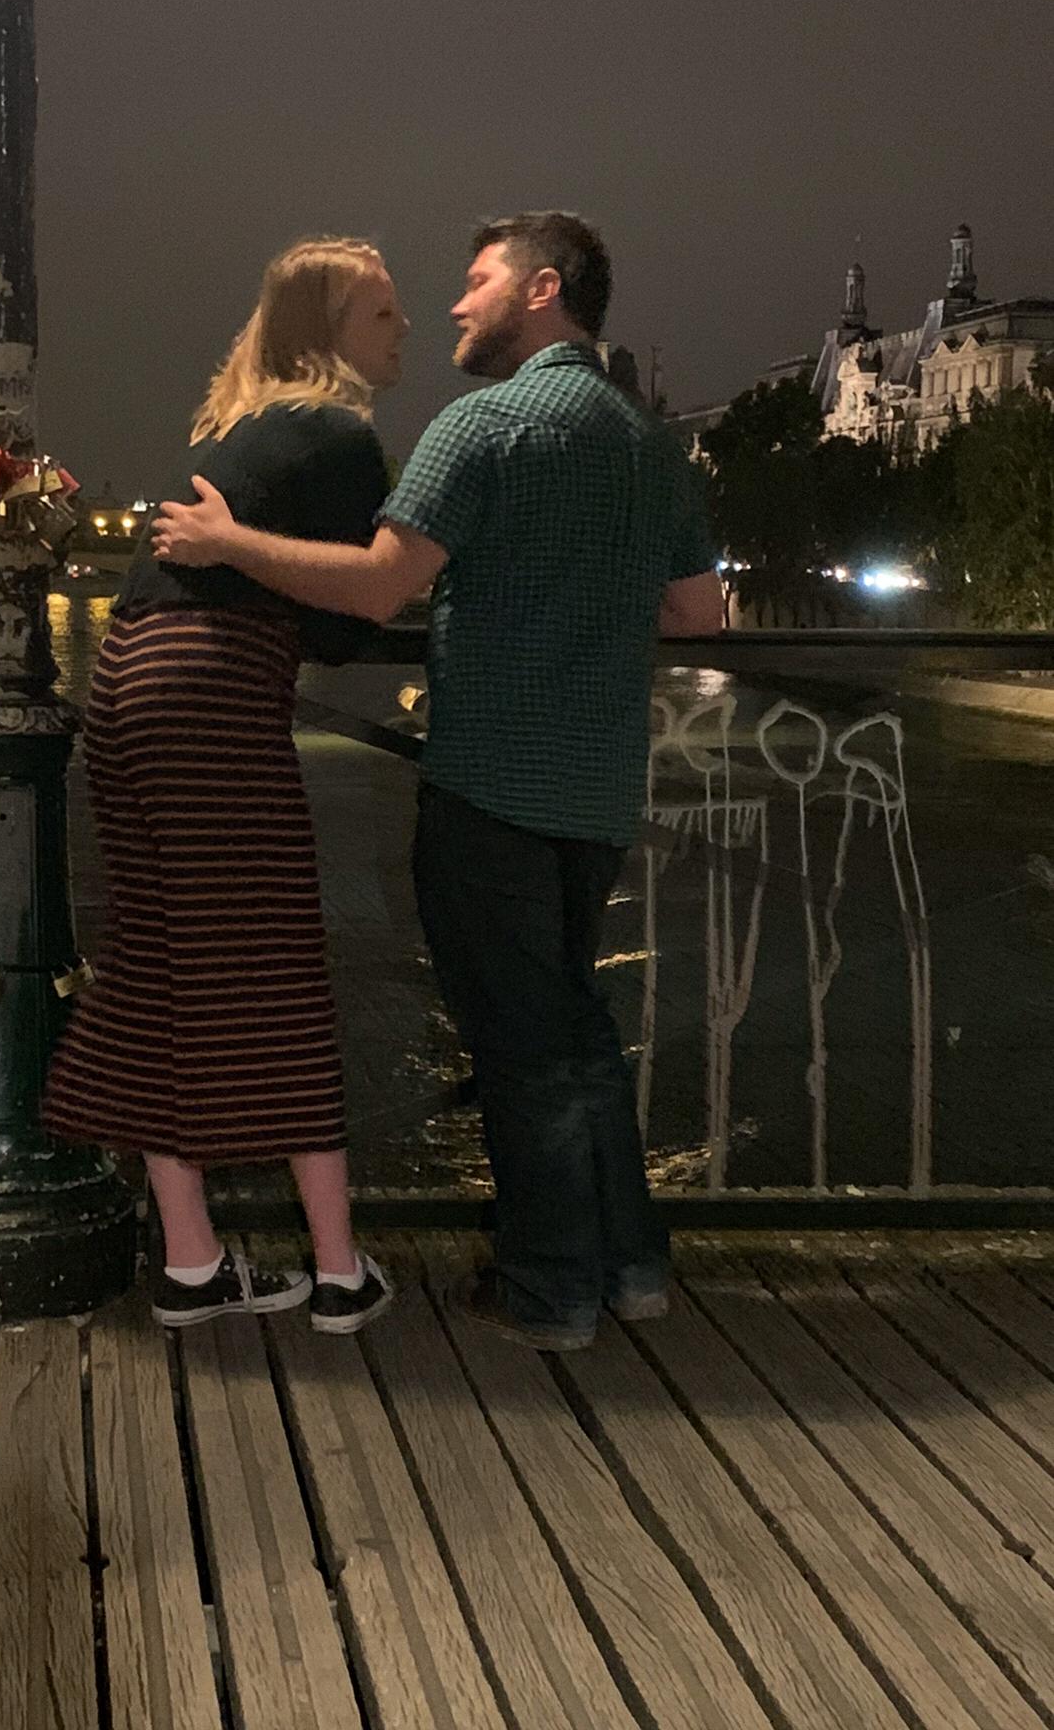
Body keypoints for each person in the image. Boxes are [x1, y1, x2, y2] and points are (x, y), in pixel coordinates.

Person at [152, 211, 724, 1351]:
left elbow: (377, 589)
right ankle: (634, 1263)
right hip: (600, 784)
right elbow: (696, 614)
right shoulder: (652, 443)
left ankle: (550, 1284)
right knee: (576, 1022)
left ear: (542, 290)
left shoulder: (486, 425)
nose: (454, 306)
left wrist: (230, 548)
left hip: (493, 782)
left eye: (475, 284)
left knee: (516, 1041)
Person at [43, 235, 406, 1334]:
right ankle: (339, 1270)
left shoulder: (237, 425)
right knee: (276, 959)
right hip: (213, 695)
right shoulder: (340, 434)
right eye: (382, 312)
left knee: (157, 957)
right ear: (326, 331)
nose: (403, 329)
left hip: (128, 683)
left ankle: (194, 1262)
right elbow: (352, 624)